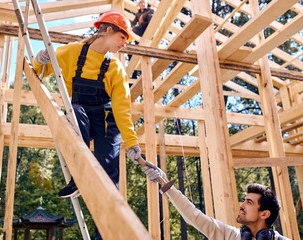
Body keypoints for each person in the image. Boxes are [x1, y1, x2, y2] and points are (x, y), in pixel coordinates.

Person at [33, 10, 142, 239]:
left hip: (106, 123)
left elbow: (122, 110)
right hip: (80, 116)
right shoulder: (72, 52)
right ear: (109, 29)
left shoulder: (115, 68)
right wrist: (40, 58)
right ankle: (79, 176)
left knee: (108, 178)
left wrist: (132, 143)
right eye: (123, 37)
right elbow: (40, 70)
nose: (125, 44)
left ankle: (106, 235)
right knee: (73, 111)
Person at [142, 165, 289, 240]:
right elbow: (193, 216)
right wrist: (165, 182)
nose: (241, 205)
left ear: (264, 214)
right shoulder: (231, 235)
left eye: (249, 202)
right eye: (243, 200)